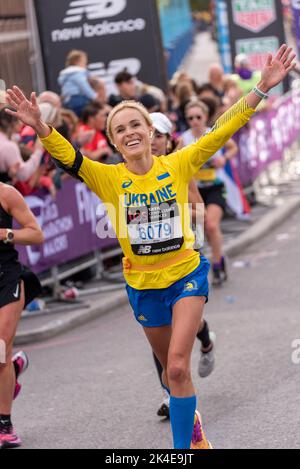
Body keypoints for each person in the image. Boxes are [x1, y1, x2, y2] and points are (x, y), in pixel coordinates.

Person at [6, 44, 296, 449]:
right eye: (120, 129)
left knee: (178, 366)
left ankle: (182, 451)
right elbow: (70, 158)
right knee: (169, 372)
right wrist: (41, 127)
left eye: (135, 124)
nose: (129, 132)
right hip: (143, 285)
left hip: (185, 277)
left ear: (150, 132)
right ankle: (190, 421)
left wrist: (261, 89)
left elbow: (221, 129)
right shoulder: (107, 177)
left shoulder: (177, 164)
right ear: (114, 141)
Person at [150, 112, 216, 418]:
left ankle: (203, 339)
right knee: (161, 333)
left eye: (158, 136)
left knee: (183, 328)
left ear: (168, 140)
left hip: (184, 261)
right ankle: (170, 392)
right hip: (150, 271)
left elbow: (196, 203)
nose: (151, 142)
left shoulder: (178, 165)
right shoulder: (126, 172)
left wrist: (196, 237)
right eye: (146, 134)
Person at [0, 183, 44, 449]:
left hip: (7, 278)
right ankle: (14, 369)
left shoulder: (5, 193)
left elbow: (36, 234)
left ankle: (4, 424)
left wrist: (5, 234)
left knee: (0, 350)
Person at [178, 100, 238, 286]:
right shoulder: (183, 140)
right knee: (199, 231)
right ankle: (214, 256)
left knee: (211, 226)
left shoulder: (213, 133)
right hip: (194, 191)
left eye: (198, 117)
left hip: (215, 186)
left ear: (205, 116)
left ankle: (217, 264)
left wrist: (224, 159)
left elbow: (233, 147)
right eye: (190, 118)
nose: (195, 121)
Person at [0, 108, 44, 185]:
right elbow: (23, 174)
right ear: (12, 123)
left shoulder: (11, 140)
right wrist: (38, 151)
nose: (22, 123)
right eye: (19, 120)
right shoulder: (8, 146)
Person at [58, 50, 98, 117]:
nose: (86, 64)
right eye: (84, 62)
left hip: (68, 101)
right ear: (77, 61)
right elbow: (84, 87)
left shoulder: (67, 74)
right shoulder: (77, 73)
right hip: (78, 101)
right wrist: (94, 97)